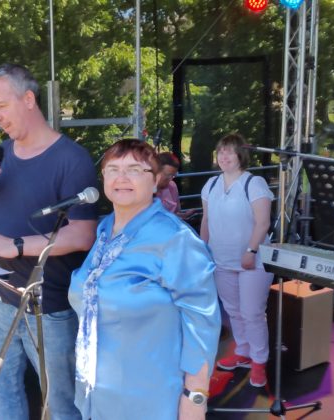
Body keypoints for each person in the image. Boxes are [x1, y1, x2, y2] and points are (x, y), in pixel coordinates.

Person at [0, 63, 97, 420]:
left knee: (60, 404)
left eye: (1, 106)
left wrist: (19, 245)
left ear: (28, 99)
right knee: (3, 393)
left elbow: (83, 234)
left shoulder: (71, 159)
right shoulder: (2, 155)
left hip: (48, 307)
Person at [68, 139, 220, 419]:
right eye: (113, 169)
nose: (122, 177)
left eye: (135, 170)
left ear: (155, 183)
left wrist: (195, 397)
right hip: (100, 395)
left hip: (151, 398)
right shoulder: (105, 231)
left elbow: (203, 322)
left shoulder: (175, 238)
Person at [200, 133, 274, 388]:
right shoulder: (210, 185)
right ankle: (242, 352)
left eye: (229, 152)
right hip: (221, 259)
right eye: (221, 152)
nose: (224, 157)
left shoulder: (254, 183)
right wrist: (202, 249)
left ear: (240, 155)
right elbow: (206, 221)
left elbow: (263, 222)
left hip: (252, 261)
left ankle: (259, 361)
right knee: (232, 311)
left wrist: (251, 251)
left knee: (252, 313)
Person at [155, 152, 197, 220]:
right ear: (156, 171)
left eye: (173, 175)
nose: (171, 179)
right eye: (168, 175)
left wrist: (185, 215)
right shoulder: (144, 190)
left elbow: (176, 213)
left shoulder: (172, 186)